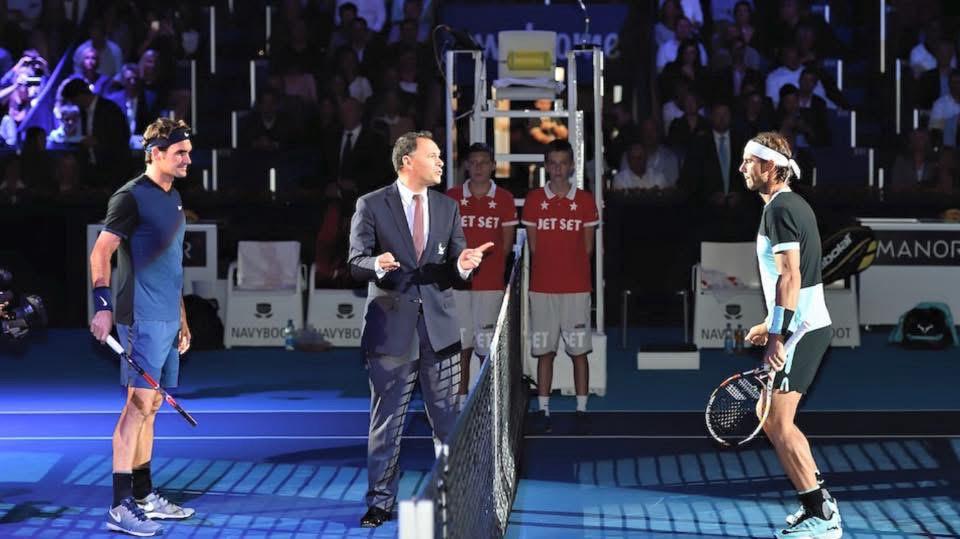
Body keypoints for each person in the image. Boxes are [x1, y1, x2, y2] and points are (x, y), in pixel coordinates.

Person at [348, 131, 493, 528]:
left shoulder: (448, 207)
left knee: (448, 421)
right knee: (387, 423)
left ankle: (452, 495)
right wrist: (377, 265)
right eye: (433, 156)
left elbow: (455, 266)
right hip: (390, 332)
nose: (441, 162)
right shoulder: (370, 204)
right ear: (407, 161)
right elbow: (355, 261)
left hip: (440, 332)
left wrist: (463, 264)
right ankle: (380, 502)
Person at [89, 118, 196, 537]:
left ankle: (144, 494)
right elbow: (101, 254)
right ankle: (119, 506)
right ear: (156, 154)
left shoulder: (174, 197)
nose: (188, 160)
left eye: (188, 152)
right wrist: (102, 307)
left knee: (152, 408)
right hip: (142, 317)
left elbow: (173, 265)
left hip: (167, 317)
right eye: (180, 153)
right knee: (136, 407)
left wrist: (182, 316)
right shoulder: (129, 197)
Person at [739, 132, 841, 539]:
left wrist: (777, 336)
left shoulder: (779, 209)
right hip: (803, 324)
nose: (742, 169)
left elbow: (791, 276)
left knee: (776, 421)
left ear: (769, 166)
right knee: (773, 419)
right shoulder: (791, 204)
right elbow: (799, 280)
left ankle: (822, 515)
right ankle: (818, 503)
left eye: (749, 162)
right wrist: (770, 322)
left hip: (801, 330)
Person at [521, 140, 600, 434]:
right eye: (552, 163)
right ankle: (543, 410)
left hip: (576, 289)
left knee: (579, 352)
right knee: (545, 352)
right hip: (542, 289)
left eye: (562, 163)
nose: (557, 169)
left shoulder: (585, 201)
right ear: (546, 166)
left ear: (571, 166)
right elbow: (533, 247)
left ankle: (581, 410)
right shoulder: (533, 200)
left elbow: (588, 248)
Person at [445, 143, 517, 409]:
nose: (478, 167)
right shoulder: (451, 197)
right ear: (466, 166)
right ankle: (461, 401)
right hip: (459, 285)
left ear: (493, 166)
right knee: (461, 345)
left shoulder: (505, 199)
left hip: (490, 285)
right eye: (473, 162)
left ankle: (489, 402)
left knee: (486, 348)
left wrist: (495, 272)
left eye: (484, 162)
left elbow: (506, 246)